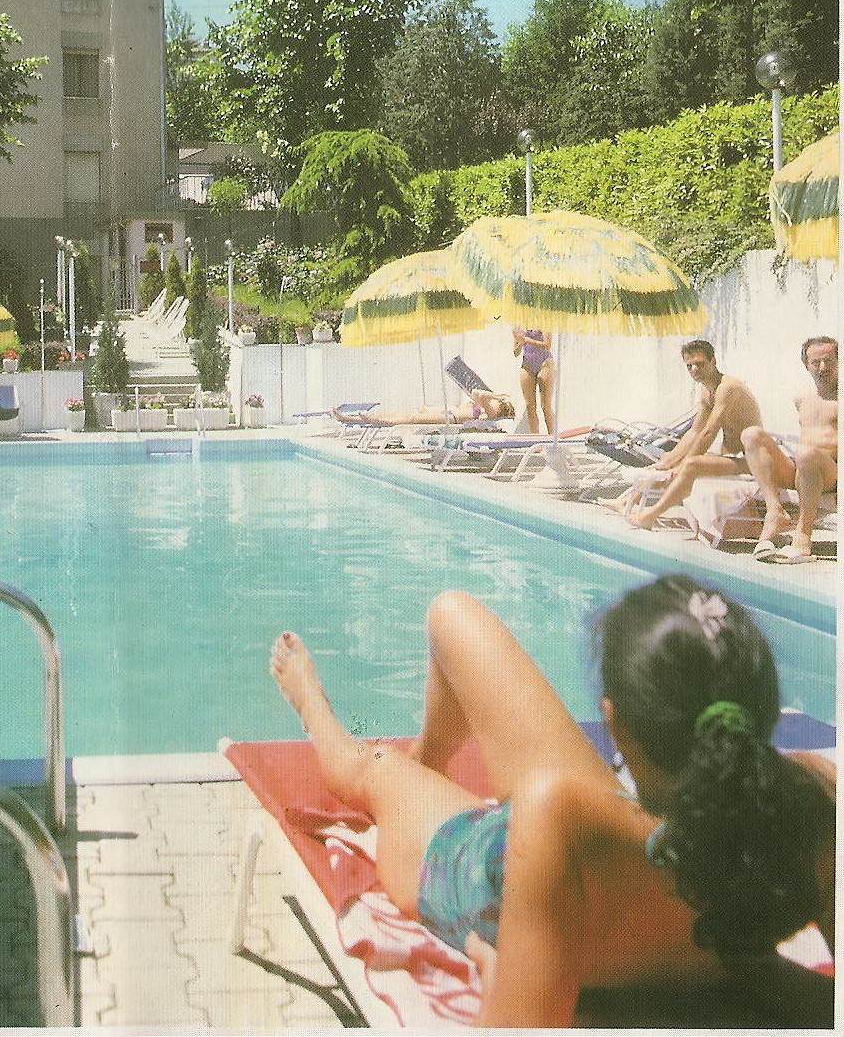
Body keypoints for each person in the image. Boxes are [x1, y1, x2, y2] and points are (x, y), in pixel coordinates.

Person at [269, 576, 835, 1027]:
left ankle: (315, 707)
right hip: (598, 849)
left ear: (615, 724)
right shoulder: (815, 797)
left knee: (375, 766)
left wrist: (499, 973)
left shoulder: (560, 811)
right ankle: (426, 768)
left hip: (480, 872)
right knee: (450, 615)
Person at [622, 339, 762, 531]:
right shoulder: (706, 391)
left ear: (713, 361)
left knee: (690, 465)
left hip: (752, 462)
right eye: (689, 366)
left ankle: (650, 515)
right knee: (669, 459)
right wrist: (671, 460)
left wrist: (683, 463)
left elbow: (709, 432)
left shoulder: (727, 388)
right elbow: (694, 432)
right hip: (732, 458)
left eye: (700, 364)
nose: (694, 369)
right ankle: (626, 501)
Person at [741, 336, 839, 564]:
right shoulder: (802, 398)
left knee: (806, 453)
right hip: (802, 469)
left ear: (838, 361)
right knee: (751, 435)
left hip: (832, 474)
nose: (822, 368)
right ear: (806, 365)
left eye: (828, 361)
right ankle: (774, 511)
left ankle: (802, 538)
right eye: (816, 362)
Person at [345, 389, 515, 428]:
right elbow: (476, 392)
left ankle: (378, 421)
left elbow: (481, 394)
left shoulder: (491, 413)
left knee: (412, 419)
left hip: (450, 418)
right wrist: (496, 396)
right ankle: (351, 419)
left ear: (501, 408)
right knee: (402, 413)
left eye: (498, 403)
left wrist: (497, 397)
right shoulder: (483, 407)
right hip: (445, 413)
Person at [512, 326, 555, 435]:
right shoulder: (519, 326)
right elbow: (515, 353)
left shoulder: (543, 322)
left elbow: (547, 345)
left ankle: (552, 437)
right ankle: (535, 438)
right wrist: (520, 343)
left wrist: (526, 340)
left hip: (544, 363)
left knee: (545, 406)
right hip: (527, 364)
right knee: (530, 406)